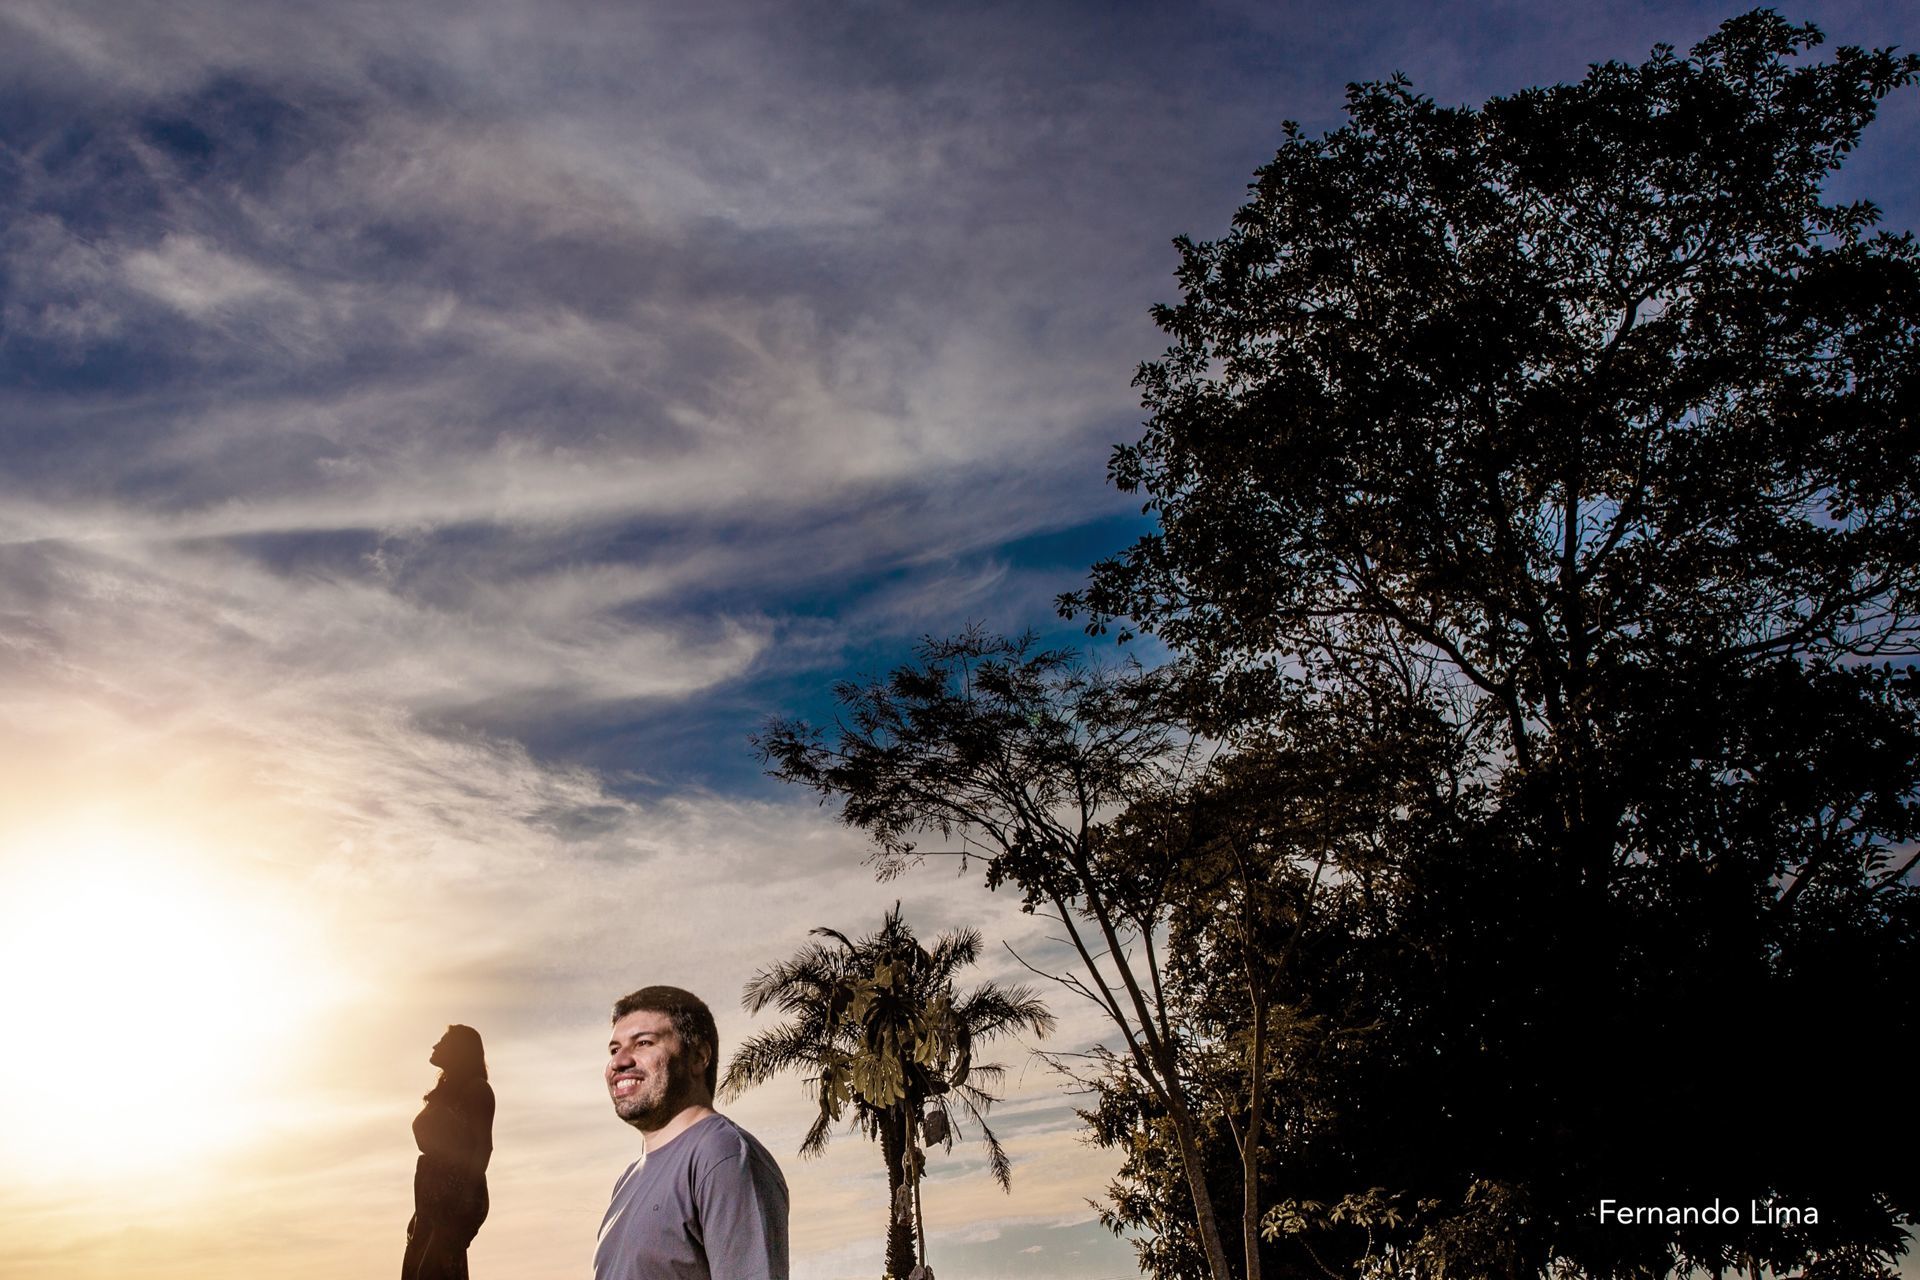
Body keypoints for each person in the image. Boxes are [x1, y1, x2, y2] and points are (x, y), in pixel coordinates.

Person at [594, 986, 789, 1280]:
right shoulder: (627, 1180)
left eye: (643, 1043)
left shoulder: (722, 1154)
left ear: (699, 1057)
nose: (619, 1062)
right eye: (614, 1049)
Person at [402, 1024, 494, 1280]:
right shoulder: (444, 1094)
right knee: (416, 1272)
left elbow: (483, 1147)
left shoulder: (477, 1090)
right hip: (430, 1200)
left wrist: (463, 1200)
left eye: (443, 1041)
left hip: (457, 1197)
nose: (435, 1046)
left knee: (430, 1273)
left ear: (459, 1050)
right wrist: (420, 1213)